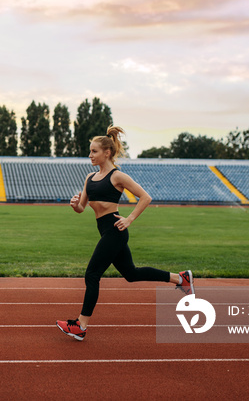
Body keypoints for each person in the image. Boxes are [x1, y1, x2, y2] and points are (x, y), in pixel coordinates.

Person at [56, 125, 194, 341]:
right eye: (90, 151)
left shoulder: (117, 176)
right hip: (105, 231)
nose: (90, 155)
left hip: (115, 230)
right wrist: (75, 205)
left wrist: (129, 219)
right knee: (131, 274)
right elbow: (82, 208)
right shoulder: (89, 178)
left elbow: (146, 197)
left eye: (94, 151)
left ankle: (81, 325)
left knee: (92, 274)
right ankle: (180, 279)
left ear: (107, 153)